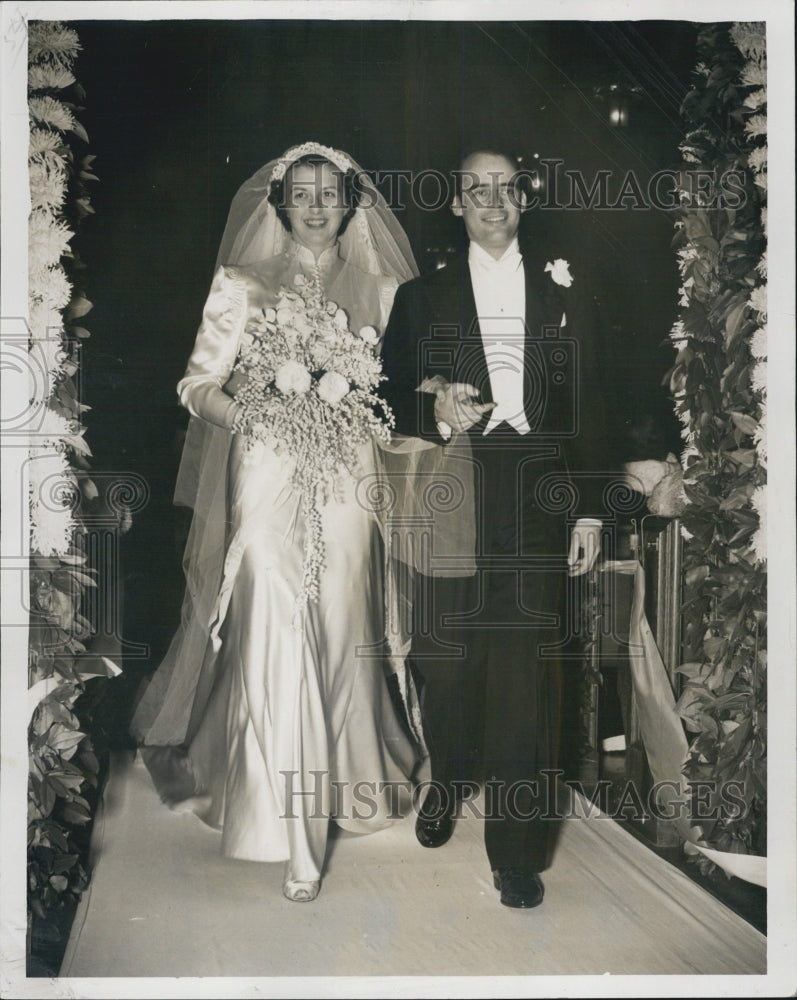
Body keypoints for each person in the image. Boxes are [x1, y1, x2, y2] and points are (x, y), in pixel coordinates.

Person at [130, 142, 421, 902]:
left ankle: (351, 788)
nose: (317, 205)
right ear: (281, 203)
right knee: (272, 609)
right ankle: (269, 807)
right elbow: (196, 383)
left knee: (341, 613)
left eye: (330, 192)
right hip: (264, 468)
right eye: (302, 193)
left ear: (349, 201)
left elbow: (399, 391)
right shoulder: (241, 281)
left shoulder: (382, 287)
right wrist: (252, 409)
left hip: (349, 474)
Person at [380, 148, 613, 908]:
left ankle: (516, 851)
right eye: (475, 190)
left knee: (524, 679)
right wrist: (434, 404)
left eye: (504, 188)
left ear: (523, 198)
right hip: (455, 489)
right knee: (445, 667)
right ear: (455, 204)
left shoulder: (567, 288)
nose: (491, 201)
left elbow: (594, 394)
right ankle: (447, 777)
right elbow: (386, 398)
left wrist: (585, 505)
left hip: (538, 494)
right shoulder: (420, 295)